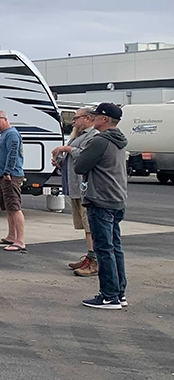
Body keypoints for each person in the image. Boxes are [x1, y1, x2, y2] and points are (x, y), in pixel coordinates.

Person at [55, 102, 129, 310]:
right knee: (115, 248)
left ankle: (109, 296)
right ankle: (119, 292)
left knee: (104, 248)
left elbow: (80, 166)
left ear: (104, 119)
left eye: (96, 116)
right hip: (116, 198)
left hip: (100, 199)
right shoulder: (119, 139)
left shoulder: (99, 141)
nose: (93, 118)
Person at [51, 107, 99, 277]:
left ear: (87, 118)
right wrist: (61, 161)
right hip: (74, 187)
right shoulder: (77, 136)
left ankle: (94, 261)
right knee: (83, 225)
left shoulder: (93, 135)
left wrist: (67, 150)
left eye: (76, 118)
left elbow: (86, 156)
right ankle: (89, 255)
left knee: (89, 226)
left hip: (85, 188)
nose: (73, 122)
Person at [0, 110, 26, 252]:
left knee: (15, 207)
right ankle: (11, 236)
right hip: (2, 176)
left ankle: (20, 241)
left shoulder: (11, 134)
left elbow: (13, 152)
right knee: (9, 207)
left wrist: (7, 171)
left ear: (5, 119)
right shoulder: (4, 134)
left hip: (10, 176)